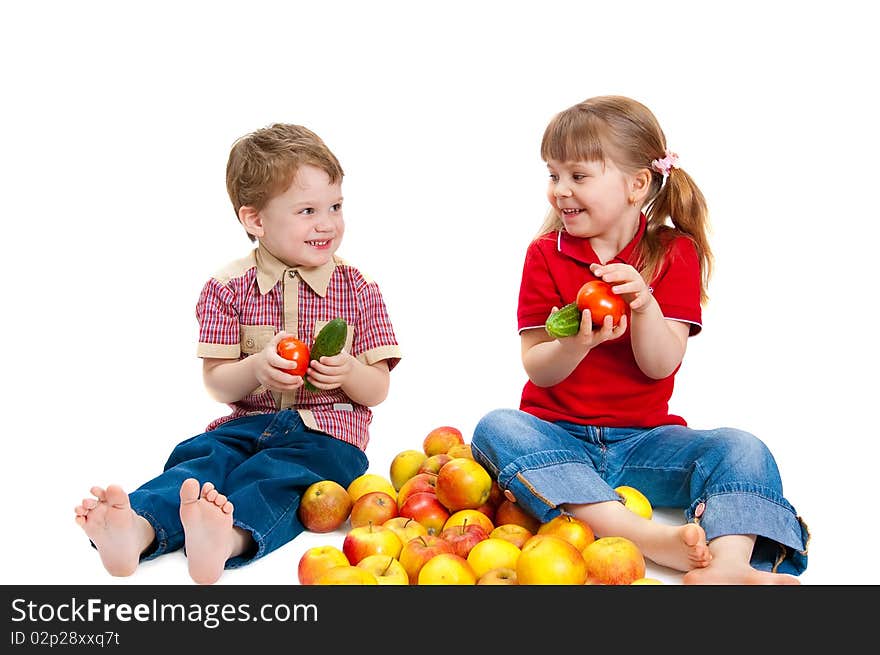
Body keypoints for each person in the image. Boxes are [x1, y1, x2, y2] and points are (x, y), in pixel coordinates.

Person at [471, 96, 809, 584]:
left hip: (646, 443)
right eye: (553, 175)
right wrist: (575, 344)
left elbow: (660, 364)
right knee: (496, 427)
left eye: (578, 176)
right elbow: (537, 366)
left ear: (637, 184)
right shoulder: (546, 254)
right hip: (556, 435)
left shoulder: (674, 253)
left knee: (742, 448)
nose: (560, 191)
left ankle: (729, 566)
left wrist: (646, 305)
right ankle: (643, 537)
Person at [74, 123, 401, 585]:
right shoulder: (227, 288)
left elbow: (379, 387)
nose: (327, 222)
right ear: (255, 220)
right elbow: (217, 382)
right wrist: (255, 368)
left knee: (276, 478)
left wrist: (348, 371)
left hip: (328, 437)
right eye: (307, 210)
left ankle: (226, 540)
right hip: (245, 426)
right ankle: (137, 530)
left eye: (335, 206)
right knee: (199, 462)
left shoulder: (359, 289)